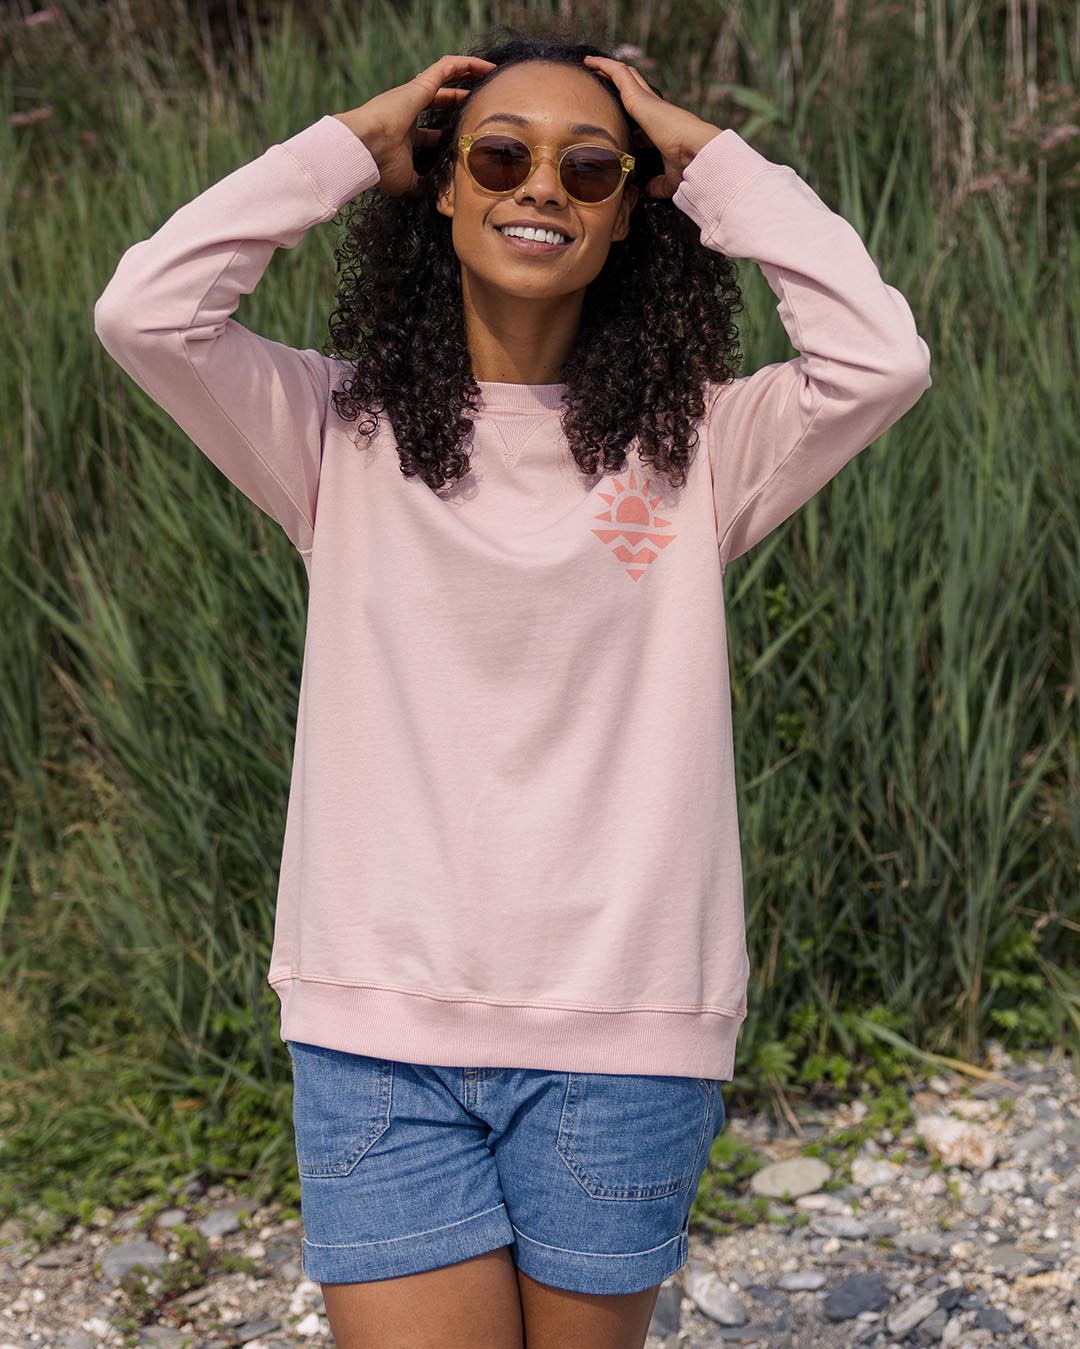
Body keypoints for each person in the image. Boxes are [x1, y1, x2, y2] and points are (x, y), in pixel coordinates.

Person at [93, 27, 932, 1349]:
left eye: (590, 167)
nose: (541, 184)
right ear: (442, 184)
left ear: (630, 210)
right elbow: (145, 311)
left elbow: (880, 360)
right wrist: (347, 148)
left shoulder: (701, 446)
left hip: (626, 1034)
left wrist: (711, 162)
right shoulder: (335, 431)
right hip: (377, 1030)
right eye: (499, 156)